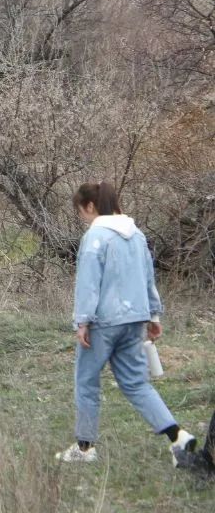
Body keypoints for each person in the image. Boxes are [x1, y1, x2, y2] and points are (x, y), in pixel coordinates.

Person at [55, 182, 197, 465]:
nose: (82, 216)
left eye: (81, 210)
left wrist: (82, 321)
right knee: (136, 383)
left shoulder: (95, 237)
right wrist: (153, 316)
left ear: (91, 206)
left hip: (103, 323)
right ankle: (178, 436)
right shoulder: (137, 235)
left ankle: (84, 449)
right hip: (136, 320)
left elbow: (88, 284)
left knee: (86, 382)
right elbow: (148, 277)